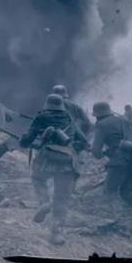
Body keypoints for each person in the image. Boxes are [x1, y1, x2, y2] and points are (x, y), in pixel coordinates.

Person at [19, 94, 87, 245]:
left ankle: (44, 202)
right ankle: (57, 232)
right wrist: (72, 148)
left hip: (46, 159)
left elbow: (27, 140)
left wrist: (23, 140)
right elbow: (84, 142)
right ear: (61, 105)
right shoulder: (69, 119)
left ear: (47, 104)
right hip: (67, 162)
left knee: (38, 178)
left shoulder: (41, 117)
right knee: (62, 197)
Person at [91, 102, 132, 229]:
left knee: (110, 191)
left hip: (119, 161)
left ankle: (119, 220)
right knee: (127, 191)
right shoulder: (124, 119)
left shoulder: (101, 124)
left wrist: (103, 152)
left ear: (98, 115)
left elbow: (96, 152)